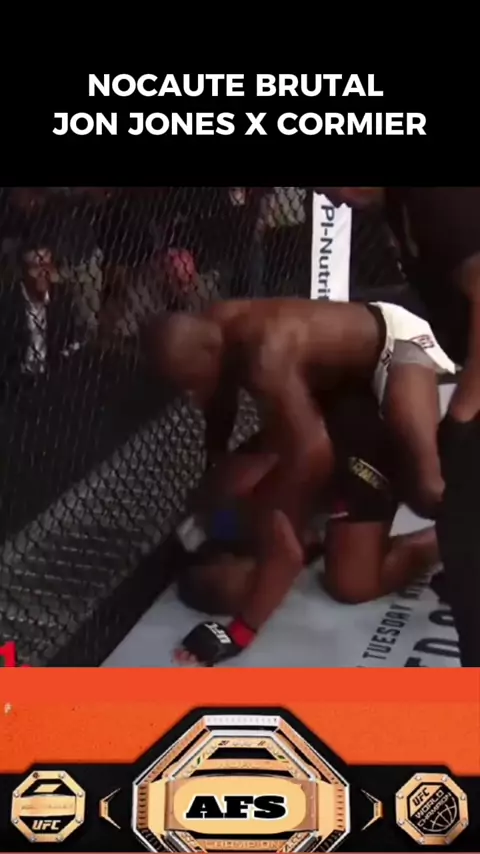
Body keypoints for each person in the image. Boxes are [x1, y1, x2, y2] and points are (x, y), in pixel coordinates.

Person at [145, 297, 455, 665]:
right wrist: (218, 456)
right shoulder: (210, 332)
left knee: (426, 494)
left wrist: (238, 633)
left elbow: (312, 460)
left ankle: (462, 533)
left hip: (394, 349)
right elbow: (220, 399)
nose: (191, 397)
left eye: (191, 385)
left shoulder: (263, 359)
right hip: (337, 400)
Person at [318, 188, 480, 668]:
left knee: (454, 506)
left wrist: (464, 412)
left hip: (428, 379)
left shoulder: (433, 197)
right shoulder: (401, 205)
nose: (330, 200)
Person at [174, 387, 439, 666]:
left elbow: (286, 558)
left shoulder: (245, 510)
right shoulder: (212, 515)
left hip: (354, 441)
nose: (269, 588)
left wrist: (239, 632)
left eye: (254, 580)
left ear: (227, 554)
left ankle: (448, 536)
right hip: (336, 442)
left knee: (353, 583)